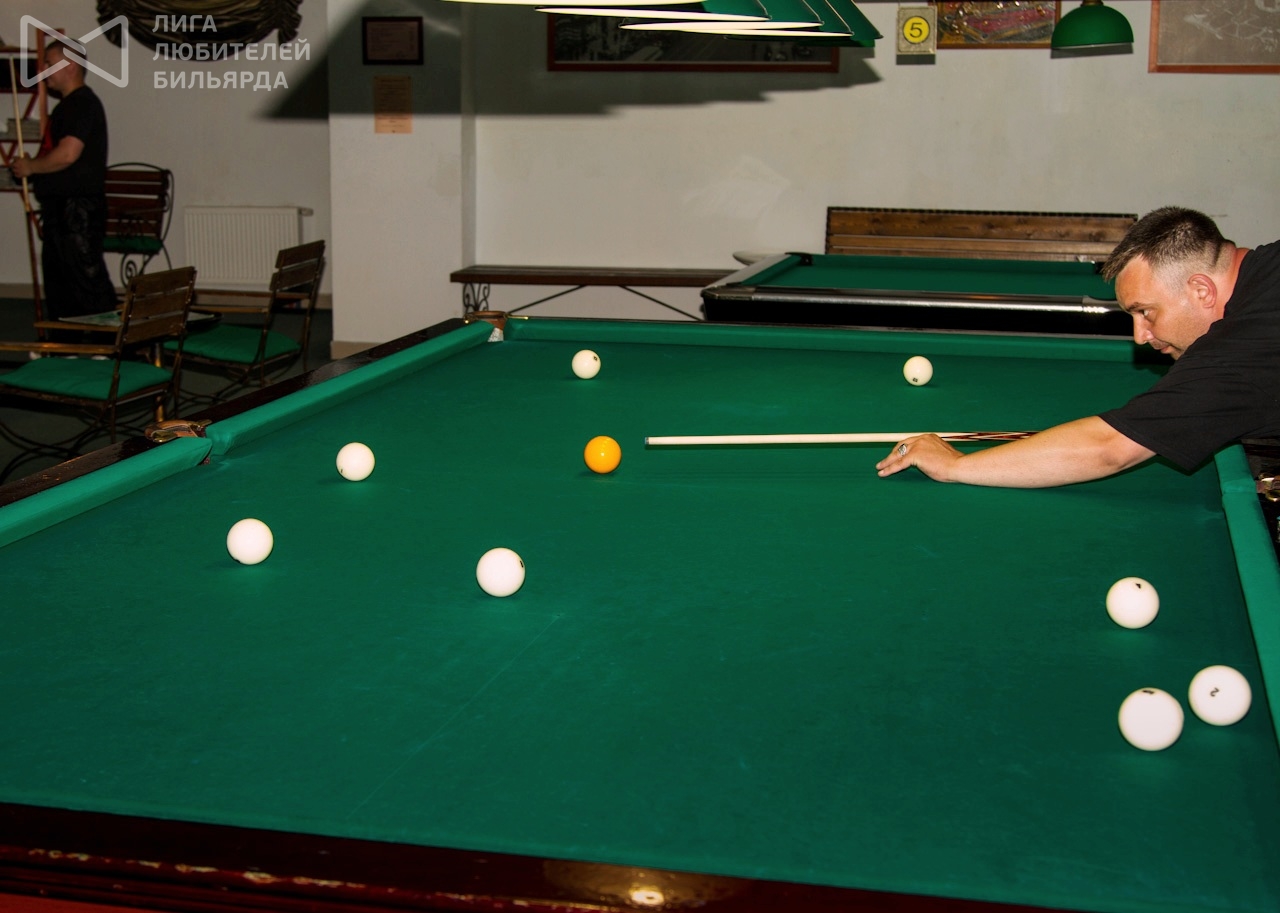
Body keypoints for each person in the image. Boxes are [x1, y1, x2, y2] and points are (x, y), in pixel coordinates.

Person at [875, 206, 1280, 487]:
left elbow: (1110, 448)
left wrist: (955, 465)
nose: (1140, 336)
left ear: (1201, 290)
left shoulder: (1241, 348)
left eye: (1146, 312)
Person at [10, 38, 118, 321]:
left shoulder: (82, 104)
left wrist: (31, 167)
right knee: (61, 289)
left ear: (70, 66)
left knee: (87, 284)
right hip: (61, 210)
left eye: (48, 63)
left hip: (76, 211)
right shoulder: (67, 106)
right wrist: (32, 166)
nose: (43, 70)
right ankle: (65, 342)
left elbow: (68, 154)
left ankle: (110, 342)